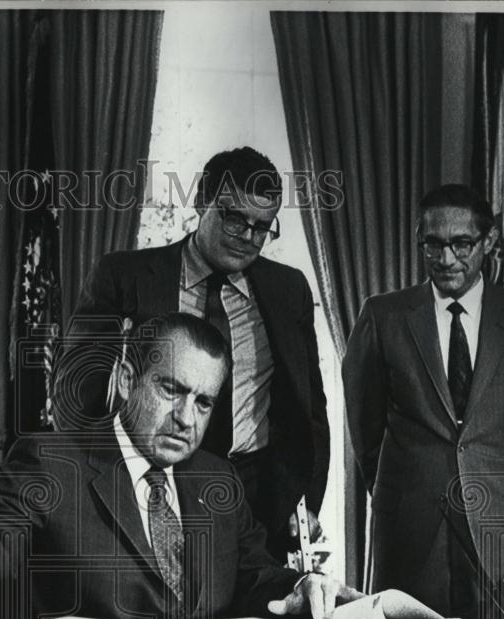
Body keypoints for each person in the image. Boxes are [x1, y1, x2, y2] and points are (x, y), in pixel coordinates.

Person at [0, 313, 358, 619]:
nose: (187, 418)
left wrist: (303, 586)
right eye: (171, 389)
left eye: (204, 402)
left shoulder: (216, 479)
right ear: (127, 380)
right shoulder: (51, 463)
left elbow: (253, 575)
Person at [53, 147, 329, 559]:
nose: (248, 238)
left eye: (262, 227)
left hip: (257, 498)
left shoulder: (290, 290)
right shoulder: (123, 276)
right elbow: (75, 396)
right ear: (203, 200)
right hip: (154, 484)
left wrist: (303, 500)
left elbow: (310, 409)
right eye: (235, 218)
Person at [342, 184, 504, 619]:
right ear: (421, 242)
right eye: (434, 245)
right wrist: (404, 487)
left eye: (461, 244)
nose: (446, 260)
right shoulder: (382, 315)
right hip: (409, 525)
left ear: (489, 241)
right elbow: (364, 425)